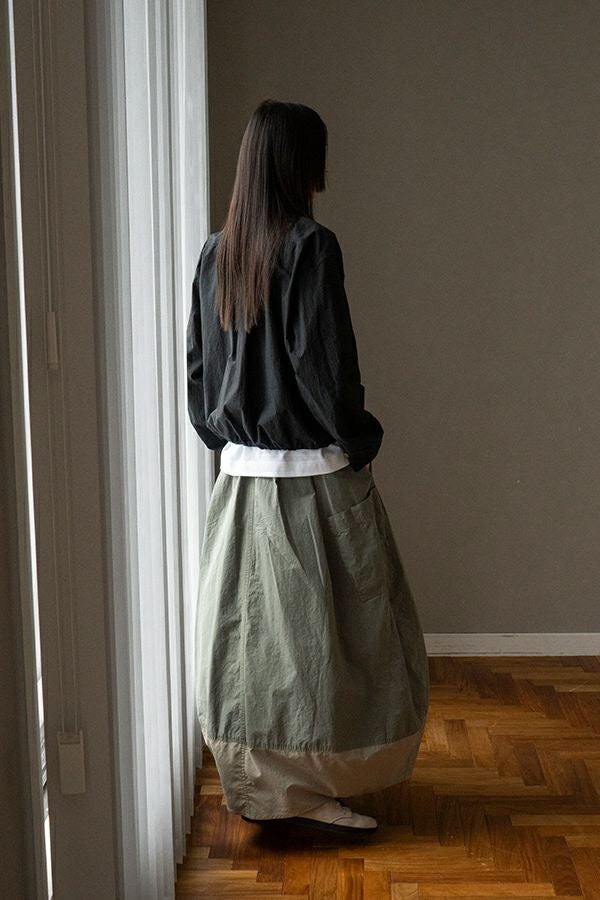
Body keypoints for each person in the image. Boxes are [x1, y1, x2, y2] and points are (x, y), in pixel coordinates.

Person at [186, 99, 429, 836]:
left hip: (241, 484)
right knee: (329, 640)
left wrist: (228, 443)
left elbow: (199, 376)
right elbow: (325, 368)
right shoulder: (311, 247)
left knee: (256, 643)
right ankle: (311, 789)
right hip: (312, 481)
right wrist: (360, 438)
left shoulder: (215, 253)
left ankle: (271, 788)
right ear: (302, 164)